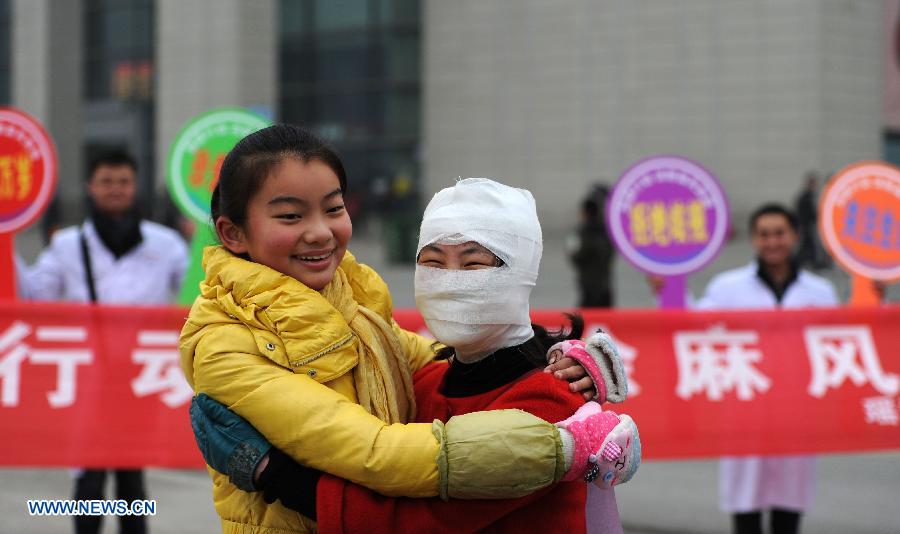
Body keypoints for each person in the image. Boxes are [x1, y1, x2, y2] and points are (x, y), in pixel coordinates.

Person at [179, 125, 639, 533]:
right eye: (432, 262)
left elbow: (424, 359)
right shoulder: (225, 343)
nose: (319, 232)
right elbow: (384, 440)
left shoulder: (352, 304)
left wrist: (562, 358)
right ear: (233, 233)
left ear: (523, 272)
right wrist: (565, 444)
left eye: (333, 208)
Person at [27, 149, 189, 534]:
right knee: (88, 479)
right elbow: (32, 296)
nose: (115, 189)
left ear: (135, 186)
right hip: (89, 379)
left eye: (123, 182)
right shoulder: (67, 244)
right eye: (107, 181)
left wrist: (204, 239)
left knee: (133, 480)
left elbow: (198, 292)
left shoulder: (165, 244)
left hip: (142, 378)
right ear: (90, 187)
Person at [694, 203, 839, 534]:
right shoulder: (726, 288)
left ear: (795, 235)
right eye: (764, 235)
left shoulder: (821, 292)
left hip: (798, 415)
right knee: (746, 511)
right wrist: (668, 292)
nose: (772, 241)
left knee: (789, 513)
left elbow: (844, 342)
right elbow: (687, 328)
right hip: (746, 413)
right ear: (753, 239)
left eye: (779, 233)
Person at [568, 184, 615, 307]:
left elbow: (576, 256)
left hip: (595, 288)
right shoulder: (603, 234)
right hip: (592, 288)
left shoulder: (596, 234)